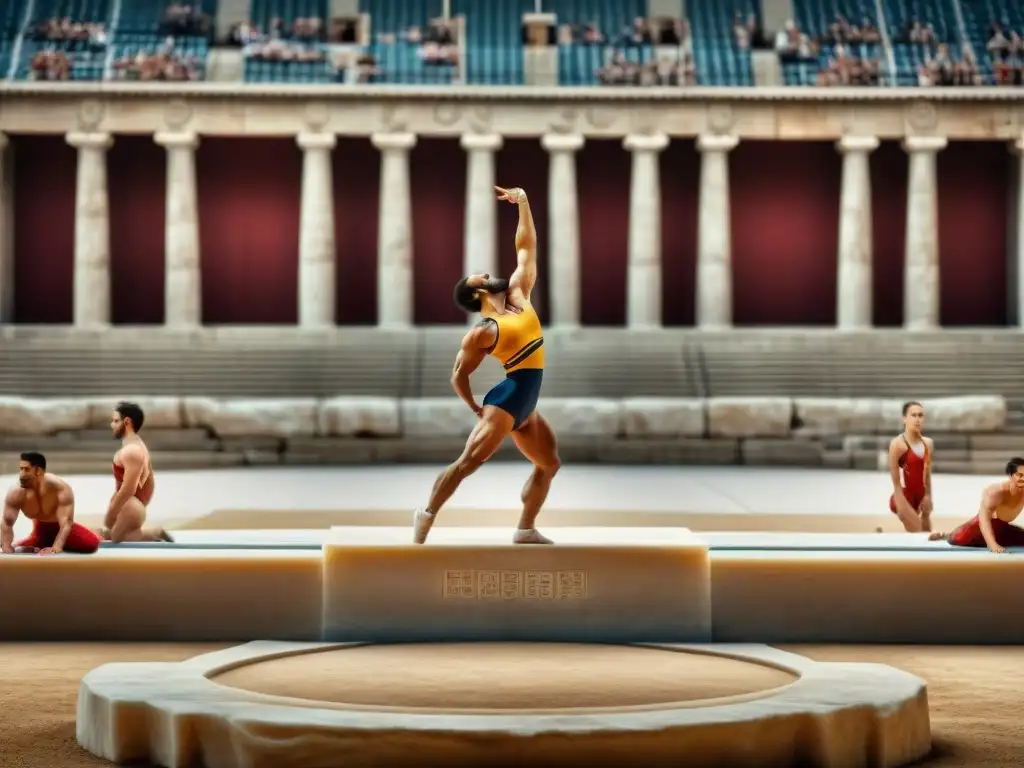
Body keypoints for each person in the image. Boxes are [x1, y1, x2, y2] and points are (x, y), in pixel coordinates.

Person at [413, 185, 560, 545]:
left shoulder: (519, 292)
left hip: (528, 404)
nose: (485, 273)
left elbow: (526, 247)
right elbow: (459, 375)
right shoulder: (483, 332)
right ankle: (425, 516)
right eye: (479, 277)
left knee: (549, 464)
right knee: (467, 464)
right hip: (507, 398)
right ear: (475, 294)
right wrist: (475, 407)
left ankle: (525, 529)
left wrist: (523, 202)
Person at [1, 452, 101, 555]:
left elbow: (66, 523)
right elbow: (7, 522)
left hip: (59, 527)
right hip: (40, 530)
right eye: (21, 469)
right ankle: (35, 543)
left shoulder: (59, 488)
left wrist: (55, 548)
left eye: (26, 470)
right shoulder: (16, 492)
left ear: (38, 471)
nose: (21, 474)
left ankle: (98, 533)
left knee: (91, 544)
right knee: (19, 546)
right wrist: (6, 546)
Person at [102, 401, 172, 543]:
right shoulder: (133, 445)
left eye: (115, 421)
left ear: (127, 422)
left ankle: (156, 532)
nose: (112, 425)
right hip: (129, 505)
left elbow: (129, 489)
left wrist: (111, 513)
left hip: (131, 505)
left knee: (117, 539)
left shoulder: (132, 451)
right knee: (108, 535)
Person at [930, 457, 1024, 553]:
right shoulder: (995, 492)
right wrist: (993, 545)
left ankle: (946, 534)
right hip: (975, 532)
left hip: (1002, 530)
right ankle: (945, 535)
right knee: (958, 537)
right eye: (1019, 475)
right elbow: (984, 520)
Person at [888, 400, 934, 532]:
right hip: (903, 497)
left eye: (920, 415)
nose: (917, 419)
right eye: (913, 415)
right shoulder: (898, 444)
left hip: (921, 497)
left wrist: (928, 498)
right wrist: (903, 510)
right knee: (922, 538)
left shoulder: (928, 443)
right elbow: (896, 484)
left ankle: (880, 533)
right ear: (904, 419)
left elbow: (927, 476)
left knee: (927, 540)